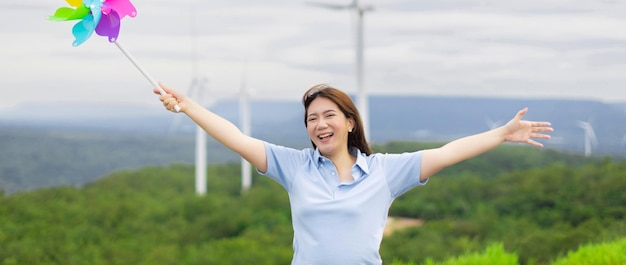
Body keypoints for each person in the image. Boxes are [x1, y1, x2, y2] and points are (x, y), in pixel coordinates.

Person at [156, 82, 553, 265]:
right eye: (312, 118)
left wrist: (501, 134)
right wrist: (189, 106)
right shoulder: (294, 167)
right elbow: (236, 136)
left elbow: (447, 152)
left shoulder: (384, 172)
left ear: (349, 122)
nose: (319, 123)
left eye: (329, 115)